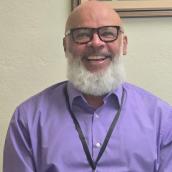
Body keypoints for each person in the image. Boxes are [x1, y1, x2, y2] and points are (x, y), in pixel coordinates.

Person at [3, 1, 172, 172]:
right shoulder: (27, 119)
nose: (96, 43)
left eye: (107, 33)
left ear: (124, 44)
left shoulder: (163, 120)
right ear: (65, 46)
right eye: (83, 34)